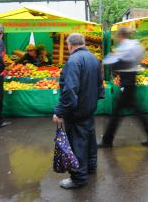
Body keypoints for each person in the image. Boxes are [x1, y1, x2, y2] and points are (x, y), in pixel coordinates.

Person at [53, 33, 104, 189]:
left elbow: (70, 90)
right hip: (89, 107)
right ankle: (90, 166)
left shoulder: (74, 61)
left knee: (77, 143)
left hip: (77, 110)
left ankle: (78, 178)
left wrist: (60, 111)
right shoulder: (93, 58)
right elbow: (100, 84)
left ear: (70, 45)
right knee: (88, 137)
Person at [98, 27, 148, 148]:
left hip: (126, 82)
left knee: (118, 113)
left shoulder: (124, 47)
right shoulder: (135, 45)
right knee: (137, 111)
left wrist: (109, 59)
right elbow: (139, 58)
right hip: (131, 80)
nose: (117, 38)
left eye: (117, 36)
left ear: (121, 36)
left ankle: (107, 140)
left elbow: (111, 62)